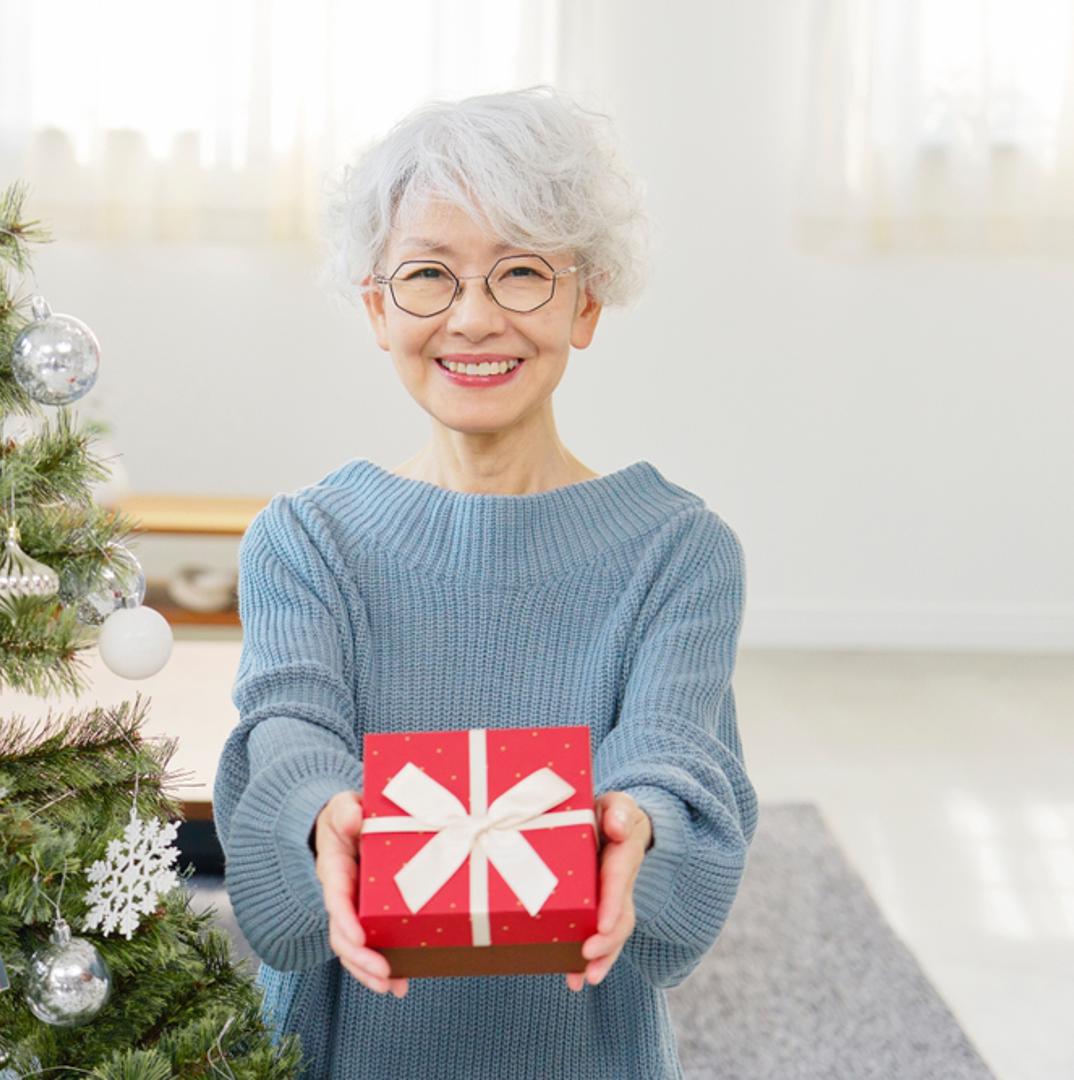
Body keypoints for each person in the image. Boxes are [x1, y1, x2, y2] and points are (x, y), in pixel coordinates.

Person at [211, 86, 758, 1079]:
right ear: (377, 309)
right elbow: (290, 728)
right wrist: (318, 811)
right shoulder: (302, 540)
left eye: (520, 274)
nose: (472, 319)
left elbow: (672, 766)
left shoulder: (679, 552)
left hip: (582, 1049)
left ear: (584, 302)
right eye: (428, 275)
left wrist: (638, 823)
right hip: (341, 1050)